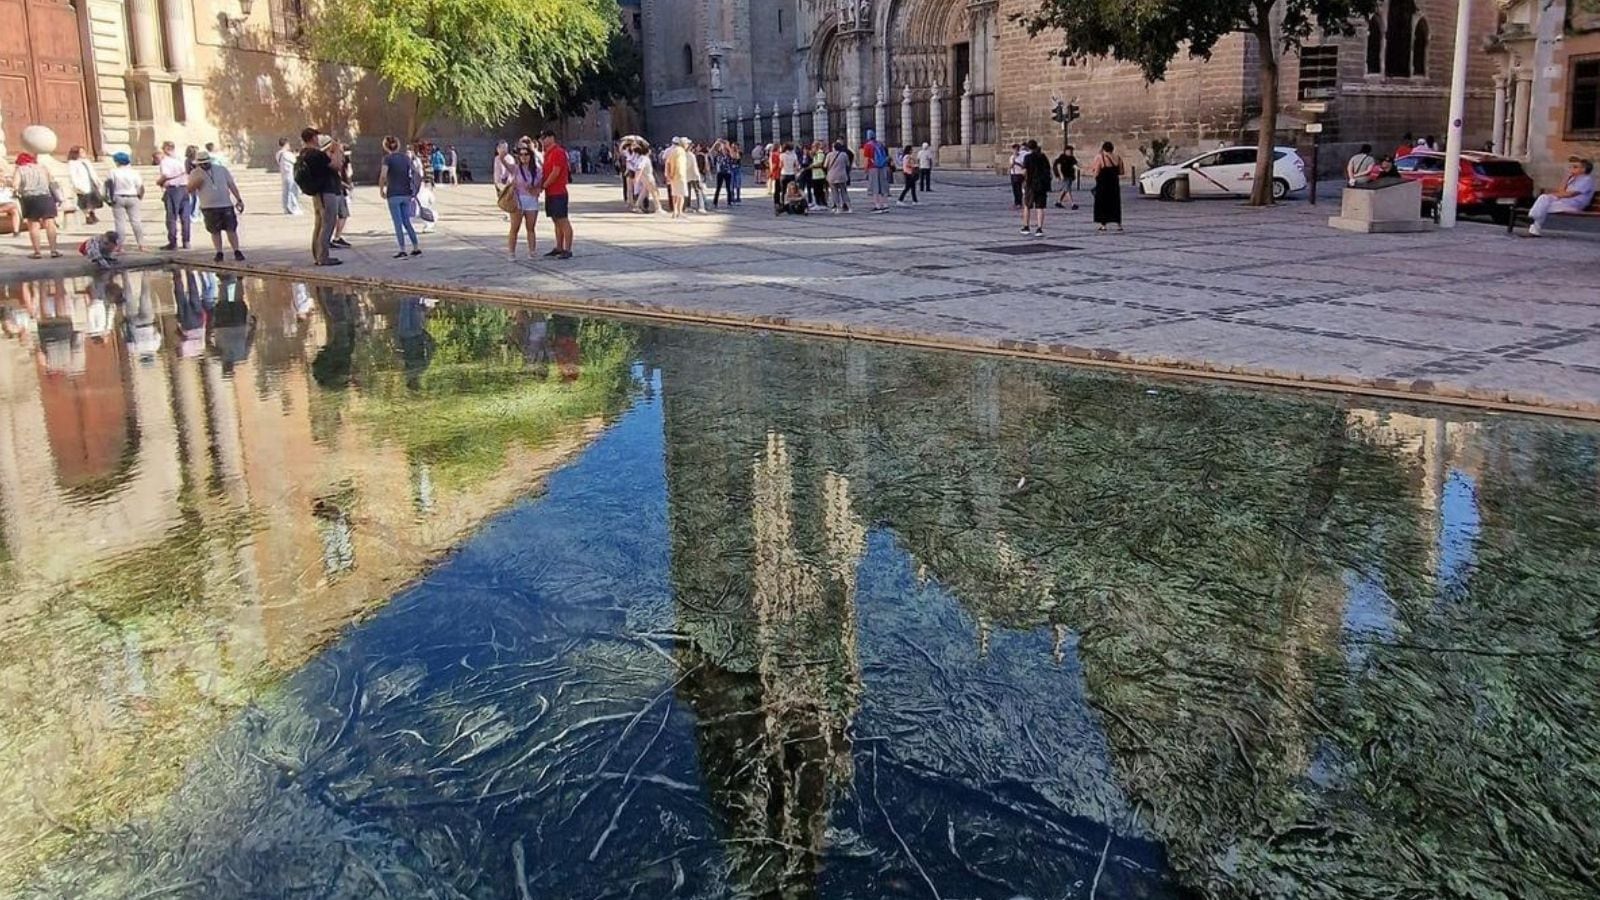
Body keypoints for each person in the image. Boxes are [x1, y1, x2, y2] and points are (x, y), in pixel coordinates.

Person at [187, 149, 246, 262]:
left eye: (206, 163)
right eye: (202, 164)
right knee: (215, 230)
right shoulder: (195, 173)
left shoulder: (221, 169)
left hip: (225, 204)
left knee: (231, 229)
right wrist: (197, 182)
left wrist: (239, 199)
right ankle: (219, 252)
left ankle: (236, 250)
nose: (205, 165)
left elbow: (231, 184)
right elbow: (189, 189)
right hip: (208, 206)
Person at [296, 128, 344, 266]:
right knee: (328, 223)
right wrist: (337, 151)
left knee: (319, 224)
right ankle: (323, 256)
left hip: (317, 192)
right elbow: (336, 166)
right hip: (326, 191)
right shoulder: (316, 154)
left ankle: (317, 254)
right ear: (312, 138)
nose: (318, 139)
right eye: (317, 136)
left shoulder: (304, 153)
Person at [1527, 156, 1596, 237]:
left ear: (1583, 169)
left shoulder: (1586, 180)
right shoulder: (1573, 178)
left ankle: (1533, 219)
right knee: (1544, 198)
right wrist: (1566, 178)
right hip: (1562, 202)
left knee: (1543, 207)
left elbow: (1571, 194)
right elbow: (1561, 191)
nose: (1572, 168)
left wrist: (1553, 195)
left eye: (1575, 167)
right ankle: (1534, 220)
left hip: (1573, 205)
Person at [378, 135, 421, 259]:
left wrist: (381, 189)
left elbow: (383, 175)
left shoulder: (387, 159)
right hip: (406, 193)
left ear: (386, 147)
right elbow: (414, 173)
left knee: (397, 223)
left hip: (393, 193)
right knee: (407, 221)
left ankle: (402, 249)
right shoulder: (406, 158)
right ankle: (416, 246)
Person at [12, 153, 61, 259]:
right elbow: (50, 181)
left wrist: (17, 190)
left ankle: (37, 252)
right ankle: (53, 250)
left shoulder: (20, 169)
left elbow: (15, 184)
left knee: (34, 225)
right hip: (45, 197)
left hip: (30, 199)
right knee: (50, 223)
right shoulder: (42, 167)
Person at [539, 129, 573, 259]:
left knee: (563, 220)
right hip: (551, 193)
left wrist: (544, 185)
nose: (542, 141)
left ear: (551, 138)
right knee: (556, 220)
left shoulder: (558, 152)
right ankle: (559, 246)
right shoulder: (548, 153)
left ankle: (568, 249)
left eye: (544, 138)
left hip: (558, 192)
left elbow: (556, 172)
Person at [506, 143, 542, 260]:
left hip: (531, 200)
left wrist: (537, 189)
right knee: (514, 227)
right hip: (518, 200)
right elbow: (504, 163)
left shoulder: (537, 170)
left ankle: (532, 251)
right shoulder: (516, 168)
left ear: (531, 156)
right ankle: (511, 252)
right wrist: (501, 154)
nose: (523, 157)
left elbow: (541, 184)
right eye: (521, 155)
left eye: (526, 154)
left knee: (530, 228)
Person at [105, 151, 146, 250]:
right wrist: (140, 196)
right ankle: (141, 244)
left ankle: (119, 245)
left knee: (120, 222)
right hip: (133, 196)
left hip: (118, 196)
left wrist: (109, 198)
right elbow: (140, 186)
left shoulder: (113, 172)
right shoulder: (134, 172)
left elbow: (109, 185)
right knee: (136, 221)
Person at [156, 141, 191, 250]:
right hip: (184, 188)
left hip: (173, 190)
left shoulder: (165, 161)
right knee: (185, 217)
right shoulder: (179, 159)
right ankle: (186, 241)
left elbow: (166, 174)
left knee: (171, 217)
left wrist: (159, 181)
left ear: (166, 149)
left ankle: (173, 242)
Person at [1090, 141, 1124, 232]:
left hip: (1103, 184)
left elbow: (1096, 171)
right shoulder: (1118, 157)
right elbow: (1121, 172)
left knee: (1103, 203)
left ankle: (1103, 224)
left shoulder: (1100, 157)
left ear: (1103, 148)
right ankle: (1119, 224)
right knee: (1115, 203)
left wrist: (1094, 176)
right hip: (1114, 184)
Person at [1020, 139, 1052, 237]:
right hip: (1042, 185)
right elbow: (1048, 171)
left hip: (1031, 184)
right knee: (1040, 207)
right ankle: (1039, 228)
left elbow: (1024, 172)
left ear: (1028, 148)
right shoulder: (1043, 156)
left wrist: (1023, 181)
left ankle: (1026, 226)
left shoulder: (1028, 157)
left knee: (1027, 206)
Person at [66, 147, 102, 226]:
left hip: (91, 182)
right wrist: (77, 185)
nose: (83, 153)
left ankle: (92, 212)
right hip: (82, 184)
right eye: (81, 152)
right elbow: (73, 175)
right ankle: (87, 216)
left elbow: (93, 172)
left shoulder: (87, 162)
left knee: (95, 199)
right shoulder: (73, 163)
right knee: (85, 201)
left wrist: (97, 181)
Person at [861, 130, 890, 212]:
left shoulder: (868, 146)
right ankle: (885, 205)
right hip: (883, 167)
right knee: (883, 186)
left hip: (873, 168)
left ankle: (877, 206)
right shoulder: (880, 144)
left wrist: (865, 169)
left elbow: (867, 159)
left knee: (875, 187)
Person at [275, 137, 302, 215]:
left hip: (284, 175)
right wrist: (296, 155)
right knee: (292, 191)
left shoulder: (278, 154)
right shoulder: (287, 154)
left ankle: (286, 208)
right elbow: (295, 161)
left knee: (286, 192)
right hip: (290, 175)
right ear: (286, 144)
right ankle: (293, 208)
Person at [665, 139, 690, 219]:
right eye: (687, 144)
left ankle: (675, 211)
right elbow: (679, 165)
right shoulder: (681, 152)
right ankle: (680, 212)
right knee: (681, 195)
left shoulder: (672, 151)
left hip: (673, 176)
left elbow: (667, 163)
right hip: (680, 175)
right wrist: (676, 174)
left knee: (675, 194)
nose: (688, 145)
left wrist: (669, 175)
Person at [825, 140, 853, 213]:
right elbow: (848, 164)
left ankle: (838, 208)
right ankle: (849, 207)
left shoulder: (829, 155)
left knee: (834, 192)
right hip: (842, 176)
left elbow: (825, 165)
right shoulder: (844, 155)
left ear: (833, 148)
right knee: (844, 191)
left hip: (832, 176)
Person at [712, 140, 736, 208]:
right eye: (722, 145)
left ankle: (729, 201)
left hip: (727, 172)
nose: (723, 147)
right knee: (718, 187)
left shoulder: (729, 154)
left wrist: (728, 146)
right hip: (720, 172)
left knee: (728, 187)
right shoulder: (718, 153)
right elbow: (710, 152)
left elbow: (733, 156)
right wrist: (716, 143)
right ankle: (715, 202)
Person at [810, 142, 829, 208]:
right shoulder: (815, 154)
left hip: (819, 175)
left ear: (817, 147)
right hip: (815, 175)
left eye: (813, 147)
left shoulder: (820, 153)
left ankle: (821, 203)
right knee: (816, 190)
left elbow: (820, 163)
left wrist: (812, 166)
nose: (812, 148)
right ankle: (818, 203)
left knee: (819, 190)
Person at [1008, 144, 1027, 209]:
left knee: (1019, 189)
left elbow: (1023, 166)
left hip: (1020, 174)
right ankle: (1016, 202)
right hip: (1013, 173)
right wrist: (1013, 163)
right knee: (1015, 189)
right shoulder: (1011, 157)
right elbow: (1010, 167)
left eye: (1016, 150)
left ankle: (1020, 203)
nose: (1014, 151)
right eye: (1013, 150)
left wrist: (1017, 163)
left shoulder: (1022, 157)